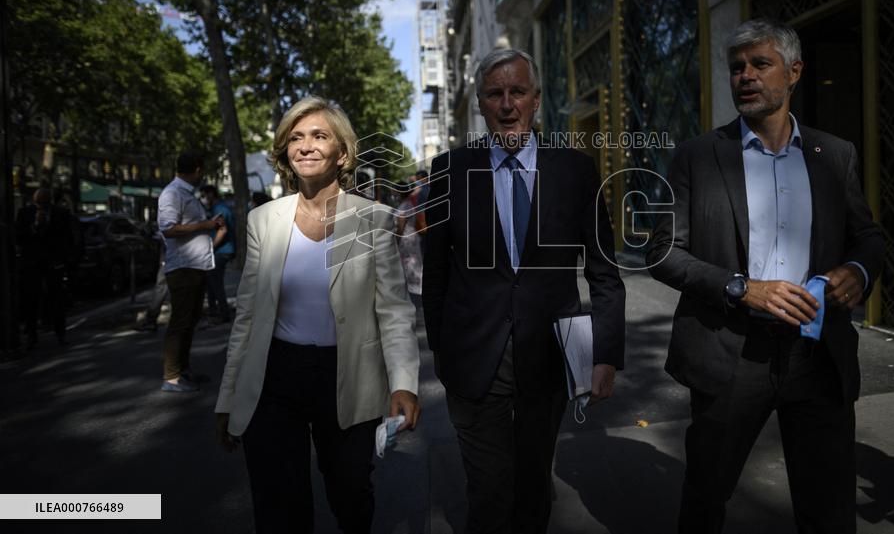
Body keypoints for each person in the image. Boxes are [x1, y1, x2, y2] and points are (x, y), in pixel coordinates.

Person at [645, 19, 885, 534]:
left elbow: (868, 235)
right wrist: (743, 289)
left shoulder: (834, 153)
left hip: (816, 356)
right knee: (706, 498)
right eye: (737, 68)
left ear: (794, 72)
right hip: (728, 356)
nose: (746, 76)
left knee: (828, 507)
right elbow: (661, 253)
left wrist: (857, 271)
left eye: (760, 64)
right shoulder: (698, 156)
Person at [422, 49, 626, 534]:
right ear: (480, 104)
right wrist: (443, 352)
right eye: (495, 94)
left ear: (536, 99)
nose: (507, 104)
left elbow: (603, 272)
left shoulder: (575, 170)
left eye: (517, 92)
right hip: (474, 360)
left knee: (534, 486)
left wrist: (605, 355)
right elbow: (435, 276)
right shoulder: (449, 171)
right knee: (489, 492)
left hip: (549, 358)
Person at [214, 96, 420, 534]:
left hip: (346, 373)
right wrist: (228, 396)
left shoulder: (370, 220)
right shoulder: (264, 221)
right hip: (274, 374)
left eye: (319, 136)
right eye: (296, 137)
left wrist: (403, 382)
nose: (305, 146)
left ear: (341, 152)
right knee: (278, 504)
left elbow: (394, 310)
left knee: (350, 495)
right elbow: (247, 316)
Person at [158, 151, 222, 393]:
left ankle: (182, 370)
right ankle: (172, 376)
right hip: (182, 268)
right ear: (196, 169)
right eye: (202, 171)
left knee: (189, 321)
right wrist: (205, 225)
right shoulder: (172, 193)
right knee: (181, 322)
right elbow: (168, 229)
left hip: (195, 266)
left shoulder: (185, 193)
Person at [14, 187, 75, 347]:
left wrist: (64, 260)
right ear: (35, 202)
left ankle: (60, 334)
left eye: (45, 203)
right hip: (32, 263)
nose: (42, 206)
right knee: (31, 299)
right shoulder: (25, 213)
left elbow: (68, 237)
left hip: (53, 262)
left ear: (50, 202)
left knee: (56, 299)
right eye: (39, 203)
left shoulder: (61, 213)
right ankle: (32, 335)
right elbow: (19, 238)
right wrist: (34, 226)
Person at [200, 184, 235, 322]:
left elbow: (223, 230)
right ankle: (214, 311)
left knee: (215, 283)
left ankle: (223, 313)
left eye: (205, 195)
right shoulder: (220, 207)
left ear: (211, 194)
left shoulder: (219, 209)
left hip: (221, 251)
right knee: (211, 282)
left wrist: (210, 247)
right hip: (222, 250)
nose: (204, 198)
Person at [395, 179, 426, 309]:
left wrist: (395, 241)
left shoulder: (404, 206)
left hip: (406, 241)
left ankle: (415, 299)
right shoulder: (407, 204)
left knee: (410, 268)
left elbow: (400, 227)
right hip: (411, 239)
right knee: (413, 268)